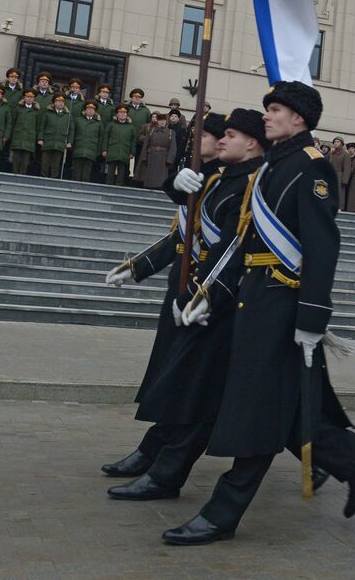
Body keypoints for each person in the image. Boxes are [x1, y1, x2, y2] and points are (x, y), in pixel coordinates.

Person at [163, 81, 355, 545]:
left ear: (298, 119)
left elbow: (323, 247)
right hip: (254, 300)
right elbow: (243, 242)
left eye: (275, 109)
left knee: (257, 407)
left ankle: (222, 513)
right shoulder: (272, 166)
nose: (267, 116)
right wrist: (210, 294)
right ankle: (353, 459)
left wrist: (311, 318)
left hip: (283, 304)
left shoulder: (312, 168)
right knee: (281, 406)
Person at [100, 112, 228, 483]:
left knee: (185, 382)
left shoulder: (227, 182)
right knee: (173, 378)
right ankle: (151, 451)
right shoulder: (201, 177)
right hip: (182, 287)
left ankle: (326, 452)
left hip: (204, 294)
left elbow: (219, 245)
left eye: (203, 136)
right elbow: (181, 238)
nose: (194, 141)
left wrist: (197, 294)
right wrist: (137, 267)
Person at [138, 113, 177, 189]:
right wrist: (144, 157)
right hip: (151, 157)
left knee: (161, 179)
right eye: (160, 120)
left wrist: (170, 159)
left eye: (164, 120)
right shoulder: (151, 131)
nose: (162, 122)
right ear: (157, 121)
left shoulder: (171, 132)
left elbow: (173, 147)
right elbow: (146, 145)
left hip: (163, 158)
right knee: (150, 179)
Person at [39, 94, 74, 179]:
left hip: (60, 141)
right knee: (45, 162)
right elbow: (42, 126)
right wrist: (40, 138)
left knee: (56, 163)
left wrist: (69, 142)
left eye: (62, 101)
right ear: (54, 102)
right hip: (48, 140)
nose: (60, 103)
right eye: (58, 101)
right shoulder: (47, 113)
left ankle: (54, 178)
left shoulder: (68, 115)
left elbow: (71, 130)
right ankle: (43, 177)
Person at [9, 89, 43, 175]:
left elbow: (39, 126)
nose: (29, 99)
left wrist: (38, 138)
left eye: (31, 97)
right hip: (18, 135)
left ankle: (22, 174)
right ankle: (14, 173)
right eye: (28, 97)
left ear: (34, 99)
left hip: (29, 137)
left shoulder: (36, 111)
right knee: (16, 158)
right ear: (24, 97)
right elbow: (12, 122)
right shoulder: (18, 108)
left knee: (25, 159)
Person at [69, 101, 104, 182]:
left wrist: (99, 151)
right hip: (78, 148)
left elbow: (101, 138)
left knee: (87, 172)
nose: (90, 111)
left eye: (92, 109)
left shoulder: (98, 124)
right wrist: (71, 144)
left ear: (95, 111)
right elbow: (73, 133)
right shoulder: (78, 120)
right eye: (88, 109)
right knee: (76, 171)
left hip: (91, 150)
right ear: (84, 110)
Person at [104, 104, 136, 185]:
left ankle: (118, 187)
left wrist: (132, 152)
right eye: (121, 112)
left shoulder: (131, 127)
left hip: (124, 152)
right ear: (117, 114)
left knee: (122, 173)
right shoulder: (111, 125)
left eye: (124, 113)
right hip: (112, 151)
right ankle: (108, 187)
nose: (123, 114)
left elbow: (133, 141)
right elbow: (106, 138)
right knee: (110, 172)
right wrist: (104, 149)